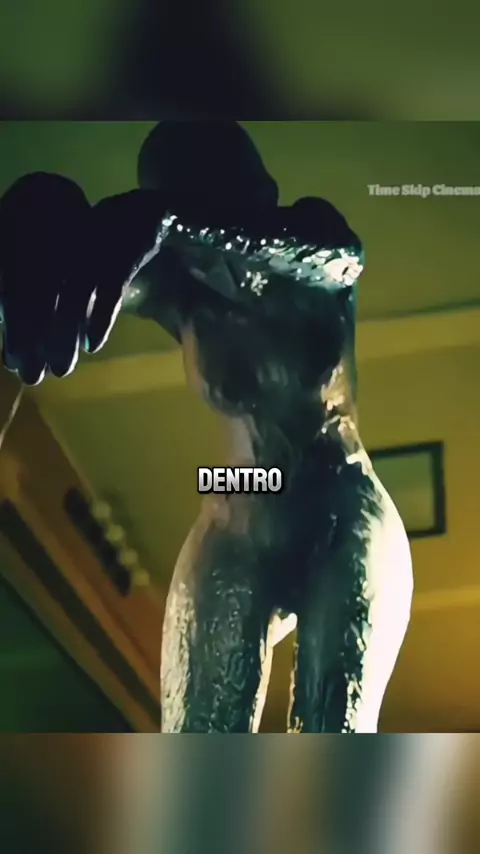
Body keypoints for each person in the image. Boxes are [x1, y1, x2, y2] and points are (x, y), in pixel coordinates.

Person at [0, 121, 413, 732]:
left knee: (335, 730)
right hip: (242, 508)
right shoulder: (181, 290)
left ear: (262, 188)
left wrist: (170, 220)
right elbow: (90, 276)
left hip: (341, 504)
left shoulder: (313, 240)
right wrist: (39, 228)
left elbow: (340, 258)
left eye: (210, 192)